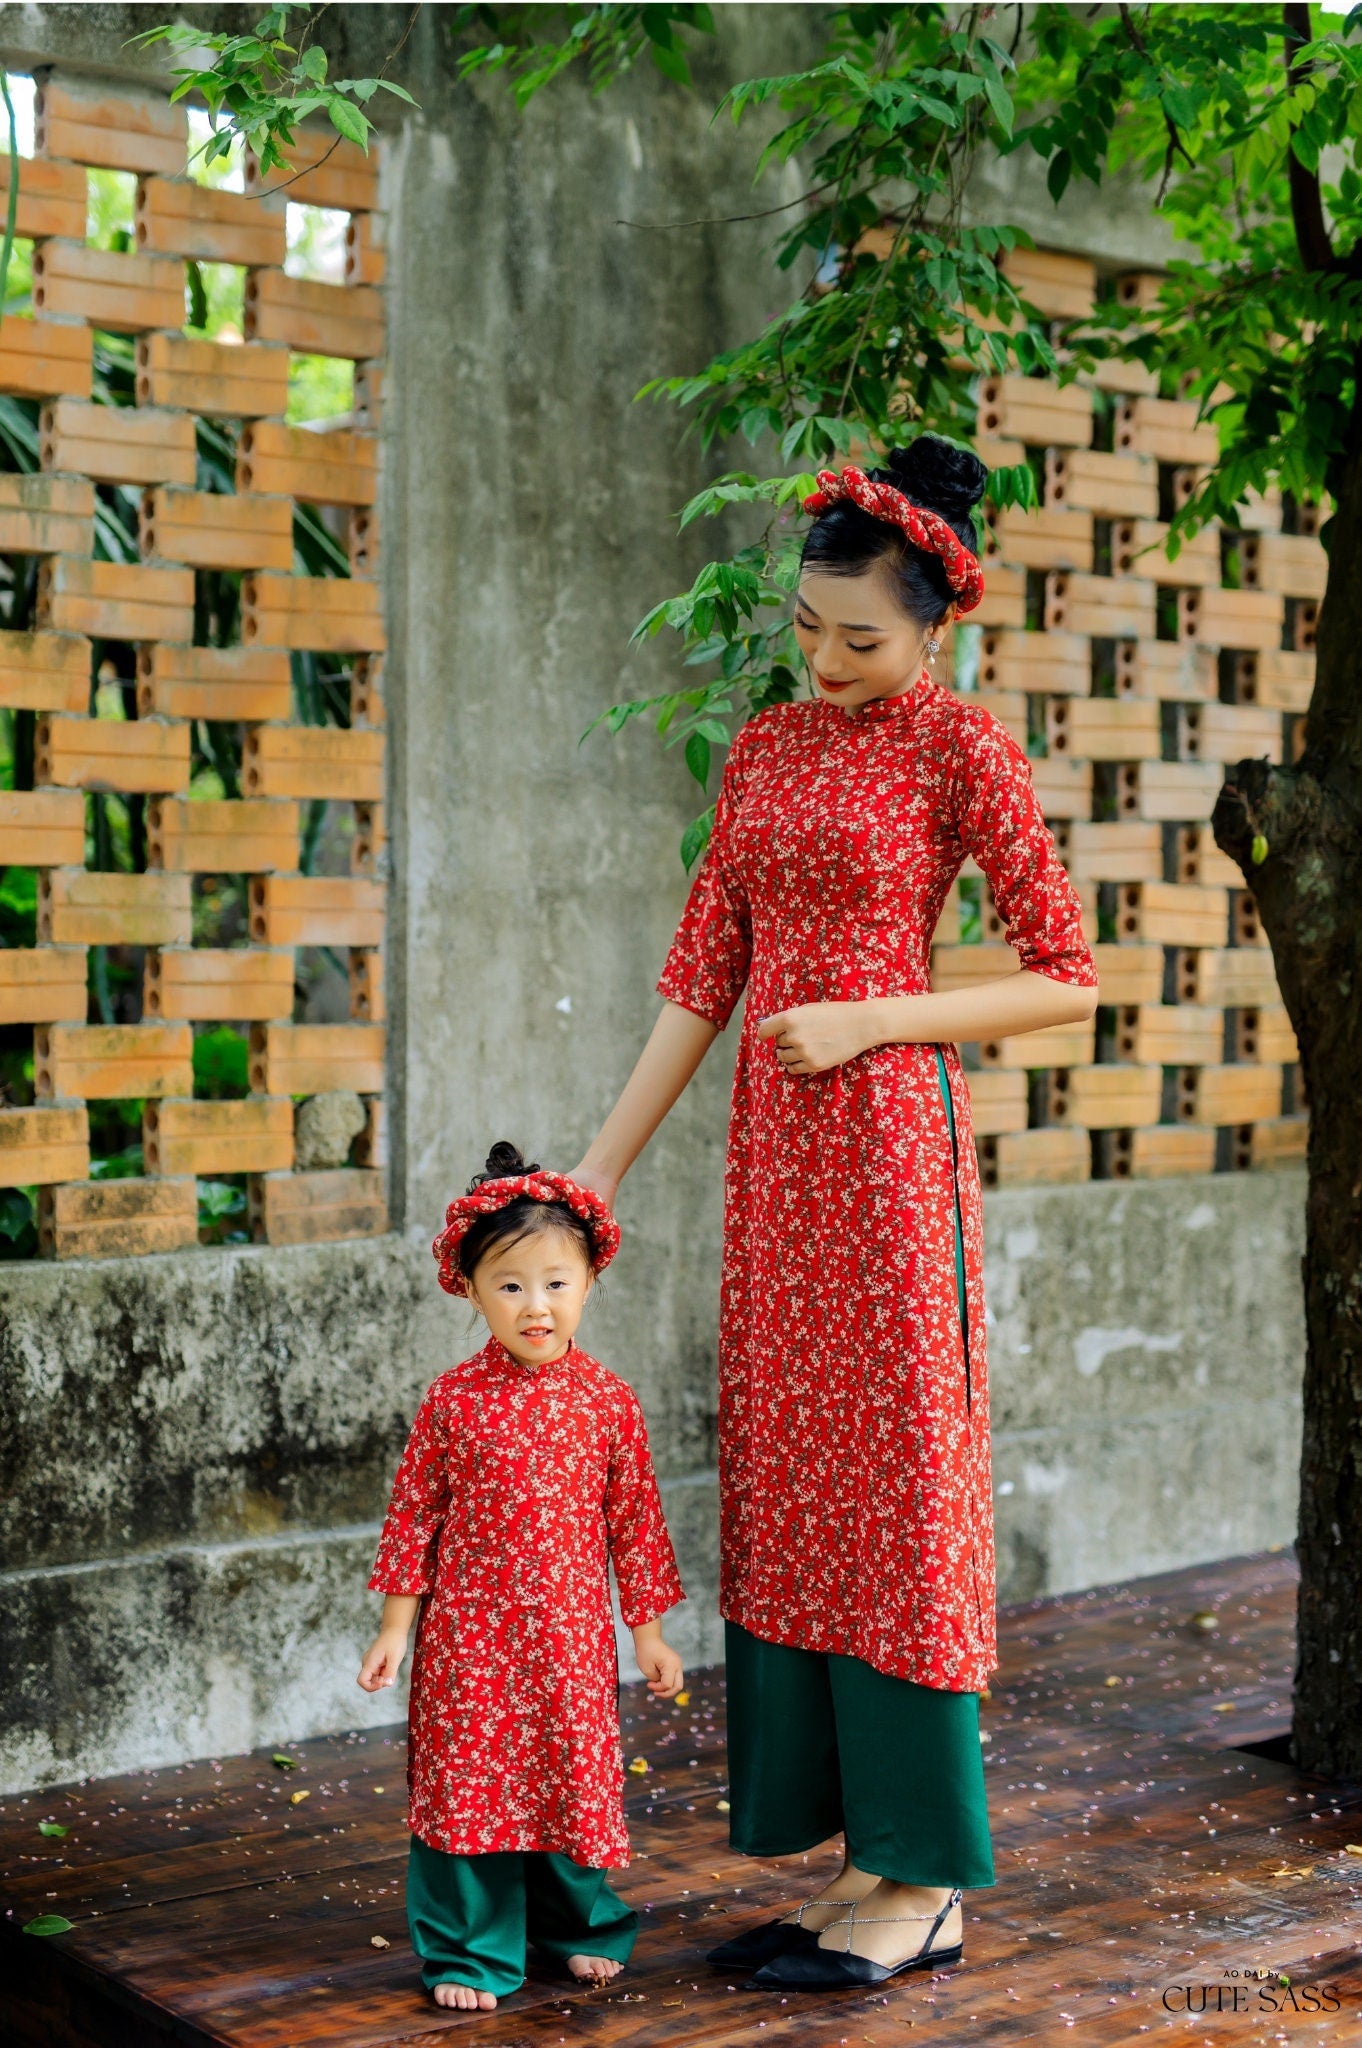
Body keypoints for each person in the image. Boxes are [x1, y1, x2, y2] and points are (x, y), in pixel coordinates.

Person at [569, 437, 1100, 1990]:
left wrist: (879, 1020)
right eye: (806, 629)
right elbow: (701, 973)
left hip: (883, 1154)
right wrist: (600, 1170)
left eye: (859, 640)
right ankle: (856, 1857)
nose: (823, 660)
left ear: (935, 627)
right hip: (772, 1172)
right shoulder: (765, 748)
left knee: (901, 1485)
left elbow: (1065, 981)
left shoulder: (959, 752)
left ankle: (924, 1875)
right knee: (798, 1481)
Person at [358, 1142, 686, 2011]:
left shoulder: (609, 1401)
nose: (534, 1306)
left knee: (571, 1780)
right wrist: (396, 1627)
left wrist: (645, 1634)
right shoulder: (451, 1400)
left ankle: (578, 1929)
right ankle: (469, 1950)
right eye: (509, 1285)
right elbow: (414, 1518)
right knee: (468, 1785)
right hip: (469, 1640)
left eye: (554, 1283)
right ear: (470, 1290)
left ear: (588, 1283)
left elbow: (636, 1527)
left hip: (570, 1642)